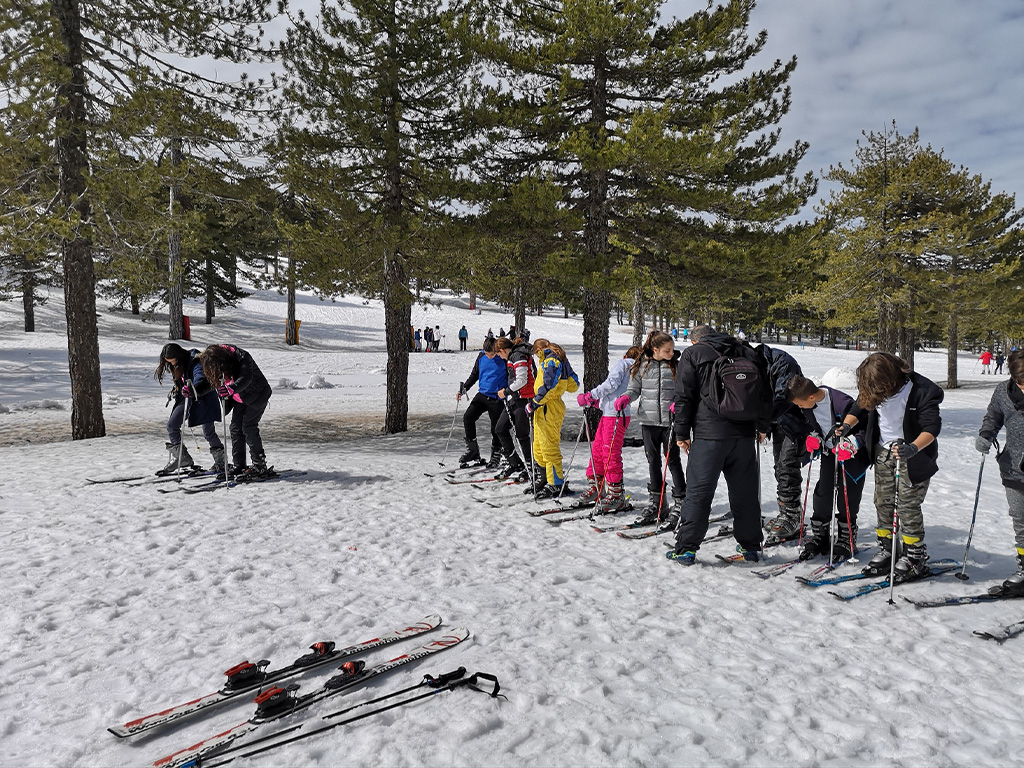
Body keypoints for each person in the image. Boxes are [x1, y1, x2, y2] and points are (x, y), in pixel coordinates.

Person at [833, 352, 943, 582]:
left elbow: (932, 427)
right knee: (882, 502)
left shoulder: (922, 390)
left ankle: (915, 555)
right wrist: (845, 426)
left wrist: (912, 448)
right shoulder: (875, 389)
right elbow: (860, 405)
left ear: (890, 381)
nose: (875, 396)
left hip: (913, 455)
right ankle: (888, 548)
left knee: (907, 505)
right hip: (883, 453)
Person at [668, 325, 772, 565]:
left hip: (708, 436)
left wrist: (682, 432)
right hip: (744, 435)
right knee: (745, 493)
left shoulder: (694, 355)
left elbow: (684, 397)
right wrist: (763, 426)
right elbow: (765, 393)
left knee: (699, 493)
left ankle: (686, 549)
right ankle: (751, 547)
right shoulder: (746, 351)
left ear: (695, 341)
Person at [785, 375, 869, 562]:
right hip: (830, 453)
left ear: (811, 397)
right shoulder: (809, 403)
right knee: (823, 492)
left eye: (800, 405)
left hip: (852, 454)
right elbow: (812, 425)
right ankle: (820, 536)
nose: (800, 408)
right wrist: (813, 437)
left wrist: (854, 442)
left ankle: (847, 538)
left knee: (848, 496)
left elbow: (866, 426)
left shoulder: (842, 403)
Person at [614, 331, 685, 528]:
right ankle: (657, 502)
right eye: (667, 350)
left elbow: (685, 391)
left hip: (669, 422)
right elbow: (634, 389)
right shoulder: (642, 366)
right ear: (656, 350)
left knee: (672, 460)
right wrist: (626, 398)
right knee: (653, 460)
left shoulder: (676, 366)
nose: (672, 353)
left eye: (672, 349)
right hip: (649, 421)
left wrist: (677, 403)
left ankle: (681, 502)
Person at [976, 349, 1024, 596]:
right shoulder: (1003, 392)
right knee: (1020, 519)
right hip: (1013, 468)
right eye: (1021, 382)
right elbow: (993, 416)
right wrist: (986, 434)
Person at [576, 346, 643, 513]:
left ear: (626, 354)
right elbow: (617, 392)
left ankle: (615, 494)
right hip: (612, 413)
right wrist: (597, 403)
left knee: (608, 453)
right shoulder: (638, 369)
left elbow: (611, 384)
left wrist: (591, 395)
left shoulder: (624, 364)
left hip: (615, 415)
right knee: (599, 449)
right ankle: (600, 487)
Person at [199, 344, 274, 478]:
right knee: (235, 428)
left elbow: (245, 378)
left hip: (257, 395)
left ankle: (260, 465)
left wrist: (231, 388)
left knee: (248, 427)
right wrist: (194, 391)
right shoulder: (215, 361)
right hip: (239, 398)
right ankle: (239, 465)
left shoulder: (242, 357)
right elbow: (209, 383)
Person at [758, 344, 806, 545]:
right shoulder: (757, 365)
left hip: (794, 421)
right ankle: (786, 512)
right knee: (780, 467)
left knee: (787, 466)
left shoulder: (782, 363)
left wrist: (762, 423)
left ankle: (793, 515)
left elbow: (783, 398)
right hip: (776, 422)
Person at [154, 343, 225, 475]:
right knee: (172, 425)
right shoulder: (177, 364)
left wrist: (194, 388)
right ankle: (182, 458)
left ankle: (220, 461)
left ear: (179, 356)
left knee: (208, 432)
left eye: (173, 361)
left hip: (203, 398)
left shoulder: (195, 359)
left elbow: (200, 376)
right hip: (186, 398)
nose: (171, 364)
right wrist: (177, 389)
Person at [524, 339, 580, 498]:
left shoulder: (552, 361)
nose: (535, 356)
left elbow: (549, 386)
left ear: (540, 349)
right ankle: (544, 479)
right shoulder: (553, 359)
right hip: (543, 408)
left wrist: (535, 403)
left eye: (536, 352)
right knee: (539, 447)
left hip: (549, 407)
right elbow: (573, 384)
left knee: (549, 447)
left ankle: (556, 483)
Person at [456, 337, 507, 468]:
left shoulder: (503, 358)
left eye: (492, 354)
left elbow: (511, 376)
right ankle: (473, 451)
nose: (489, 356)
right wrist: (463, 389)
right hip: (483, 395)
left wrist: (507, 391)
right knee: (468, 418)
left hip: (497, 398)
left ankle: (496, 453)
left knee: (495, 428)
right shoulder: (481, 356)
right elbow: (475, 375)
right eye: (487, 353)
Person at [492, 336, 536, 481]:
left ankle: (532, 468)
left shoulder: (518, 355)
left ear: (503, 350)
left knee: (522, 435)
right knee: (500, 429)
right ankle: (515, 462)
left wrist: (506, 391)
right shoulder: (513, 356)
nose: (500, 357)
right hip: (514, 399)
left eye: (499, 354)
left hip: (524, 399)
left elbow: (522, 380)